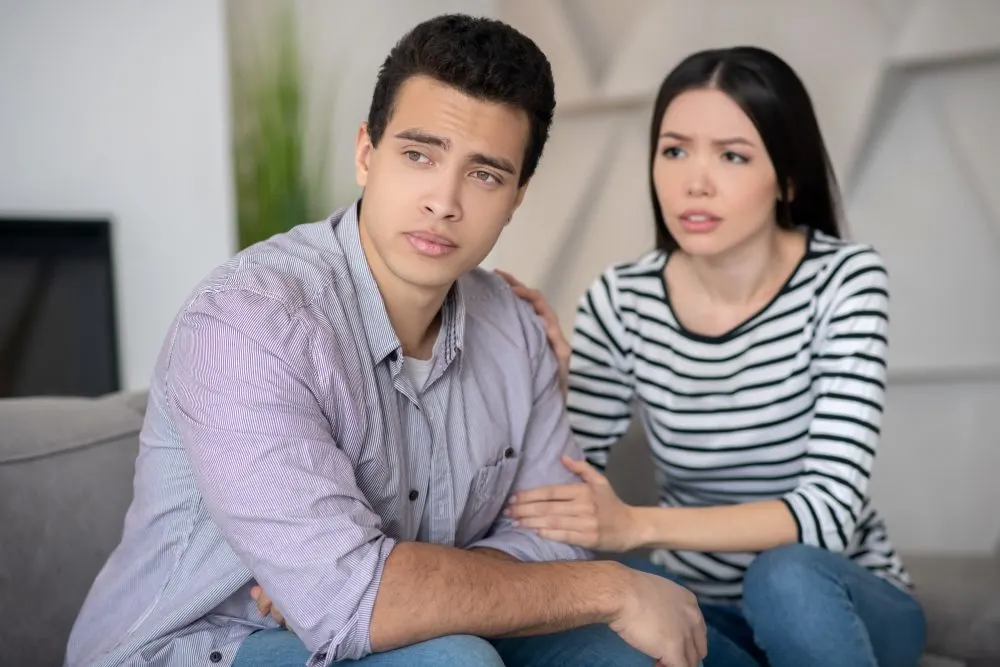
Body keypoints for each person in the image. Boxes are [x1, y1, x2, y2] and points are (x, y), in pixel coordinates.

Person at [64, 14, 707, 667]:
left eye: (484, 174)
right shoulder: (248, 322)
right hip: (206, 643)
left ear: (517, 196)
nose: (444, 201)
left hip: (396, 627)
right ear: (366, 154)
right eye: (419, 155)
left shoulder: (514, 326)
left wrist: (397, 586)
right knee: (455, 659)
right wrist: (610, 585)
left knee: (618, 654)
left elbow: (557, 538)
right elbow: (356, 604)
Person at [498, 45, 927, 667]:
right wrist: (547, 384)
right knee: (601, 606)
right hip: (706, 606)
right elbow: (566, 477)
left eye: (732, 155)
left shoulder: (845, 279)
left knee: (785, 578)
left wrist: (639, 526)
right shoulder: (623, 299)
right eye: (674, 150)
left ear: (787, 177)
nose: (694, 181)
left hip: (845, 599)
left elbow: (827, 514)